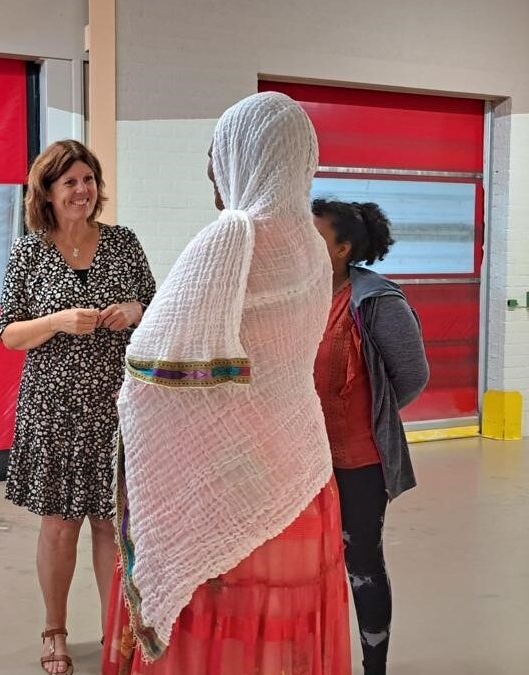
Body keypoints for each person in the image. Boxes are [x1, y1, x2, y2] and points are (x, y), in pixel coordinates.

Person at [104, 92, 351, 675]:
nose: (211, 168)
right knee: (279, 641)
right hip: (302, 475)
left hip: (228, 481)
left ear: (249, 155)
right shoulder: (315, 248)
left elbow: (150, 369)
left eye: (217, 152)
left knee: (217, 636)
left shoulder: (231, 237)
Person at [0, 139, 156, 674]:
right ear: (46, 191)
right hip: (54, 407)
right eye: (70, 182)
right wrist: (56, 322)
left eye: (88, 180)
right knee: (60, 525)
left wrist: (136, 309)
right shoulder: (29, 253)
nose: (82, 191)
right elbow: (10, 335)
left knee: (112, 525)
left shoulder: (124, 244)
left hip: (117, 407)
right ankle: (54, 631)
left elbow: (157, 312)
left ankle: (118, 631)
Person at [312, 199, 429, 675]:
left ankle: (374, 665)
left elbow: (412, 376)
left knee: (361, 562)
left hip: (357, 458)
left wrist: (371, 411)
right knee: (309, 566)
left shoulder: (375, 300)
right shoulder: (298, 293)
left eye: (314, 236)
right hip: (304, 460)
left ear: (341, 249)